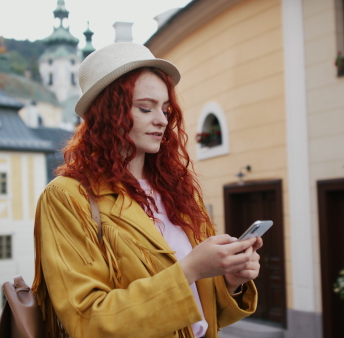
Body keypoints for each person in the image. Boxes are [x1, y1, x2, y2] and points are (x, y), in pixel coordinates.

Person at [32, 42, 262, 338]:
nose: (162, 120)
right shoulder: (67, 197)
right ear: (107, 113)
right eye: (145, 107)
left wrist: (229, 280)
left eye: (166, 109)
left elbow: (201, 317)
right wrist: (188, 270)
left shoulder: (178, 191)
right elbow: (87, 320)